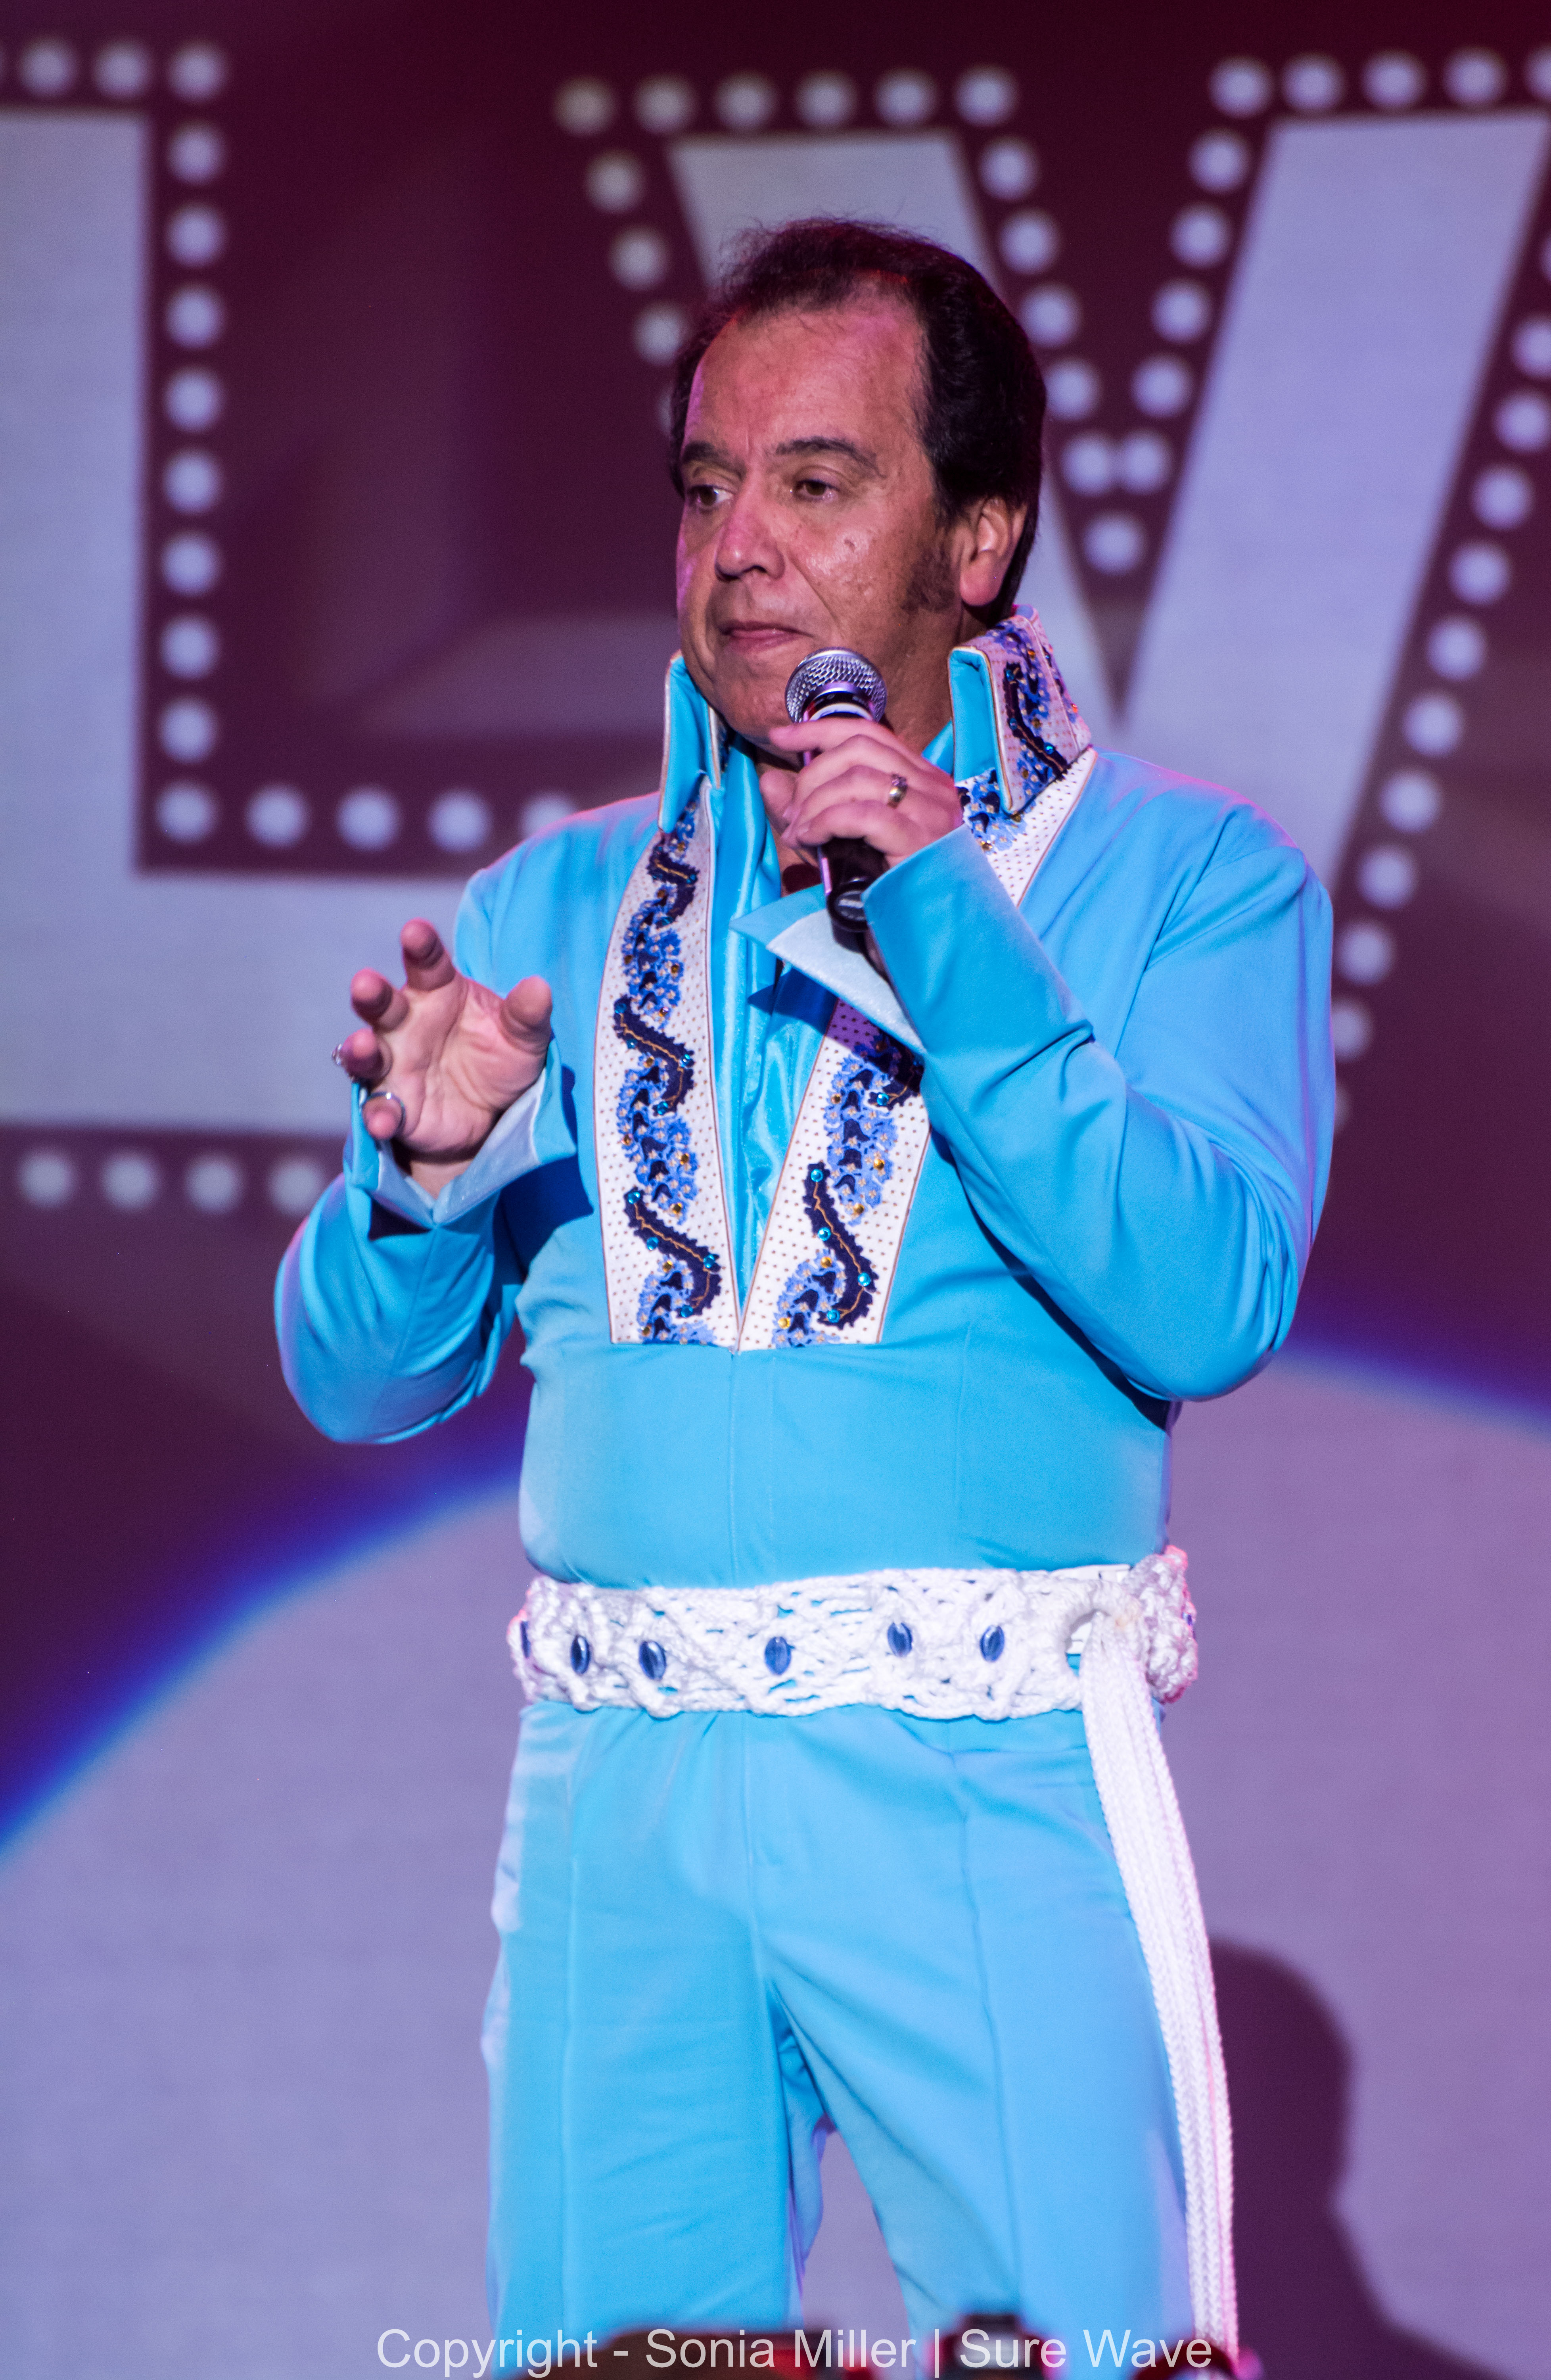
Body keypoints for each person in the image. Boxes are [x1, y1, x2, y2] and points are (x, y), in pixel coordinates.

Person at [277, 220, 1331, 2363]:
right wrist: (415, 1177)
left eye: (818, 483)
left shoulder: (1188, 877)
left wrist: (944, 917)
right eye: (707, 485)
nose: (740, 546)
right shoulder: (559, 899)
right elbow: (358, 1385)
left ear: (980, 538)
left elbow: (1208, 1298)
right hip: (622, 1802)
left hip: (985, 1776)